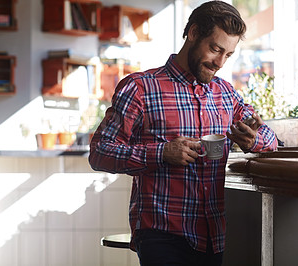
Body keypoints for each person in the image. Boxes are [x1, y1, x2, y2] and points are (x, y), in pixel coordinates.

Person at [89, 1, 277, 265]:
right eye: (215, 49)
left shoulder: (225, 93)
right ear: (193, 32)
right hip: (162, 235)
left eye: (228, 55)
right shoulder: (140, 88)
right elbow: (99, 153)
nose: (220, 63)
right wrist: (163, 152)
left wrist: (253, 139)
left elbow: (271, 140)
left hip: (215, 236)